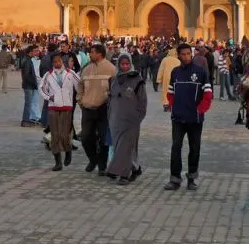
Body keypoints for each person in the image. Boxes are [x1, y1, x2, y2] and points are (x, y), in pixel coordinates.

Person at [164, 43, 212, 192]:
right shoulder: (175, 72)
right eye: (183, 54)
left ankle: (191, 179)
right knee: (176, 147)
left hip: (195, 119)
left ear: (191, 54)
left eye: (188, 54)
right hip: (178, 118)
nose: (186, 57)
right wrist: (173, 106)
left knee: (194, 148)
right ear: (178, 55)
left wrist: (201, 109)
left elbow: (208, 93)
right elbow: (170, 91)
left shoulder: (200, 72)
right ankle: (175, 179)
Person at [106, 54, 147, 185]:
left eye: (127, 64)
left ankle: (124, 174)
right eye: (122, 64)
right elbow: (111, 100)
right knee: (120, 146)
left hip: (131, 120)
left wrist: (138, 116)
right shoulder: (114, 80)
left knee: (126, 146)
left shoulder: (137, 79)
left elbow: (142, 101)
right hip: (116, 120)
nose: (125, 66)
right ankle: (135, 168)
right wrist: (110, 116)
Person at [77, 44, 116, 175]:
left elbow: (115, 89)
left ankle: (102, 165)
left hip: (103, 110)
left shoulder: (111, 69)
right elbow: (80, 87)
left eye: (92, 52)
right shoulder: (86, 69)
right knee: (86, 137)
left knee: (104, 139)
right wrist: (80, 100)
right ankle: (93, 159)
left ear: (100, 54)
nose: (90, 54)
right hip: (87, 109)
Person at [39, 53, 81, 171]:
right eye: (55, 62)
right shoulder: (48, 75)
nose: (57, 64)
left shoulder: (70, 73)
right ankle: (58, 161)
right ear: (52, 63)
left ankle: (68, 151)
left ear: (62, 62)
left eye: (59, 61)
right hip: (53, 108)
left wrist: (79, 98)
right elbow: (41, 88)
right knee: (55, 135)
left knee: (64, 134)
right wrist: (49, 97)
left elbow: (80, 85)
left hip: (67, 107)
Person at [20, 45, 42, 127]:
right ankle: (25, 120)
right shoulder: (27, 61)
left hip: (29, 85)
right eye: (35, 51)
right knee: (28, 103)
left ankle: (27, 119)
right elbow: (26, 76)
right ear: (31, 52)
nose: (37, 52)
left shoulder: (28, 60)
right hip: (28, 86)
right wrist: (33, 83)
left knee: (28, 103)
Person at [156, 47, 180, 112]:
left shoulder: (165, 60)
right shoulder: (178, 61)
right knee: (173, 91)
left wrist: (159, 79)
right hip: (175, 78)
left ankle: (166, 104)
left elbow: (161, 69)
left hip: (166, 78)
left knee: (165, 91)